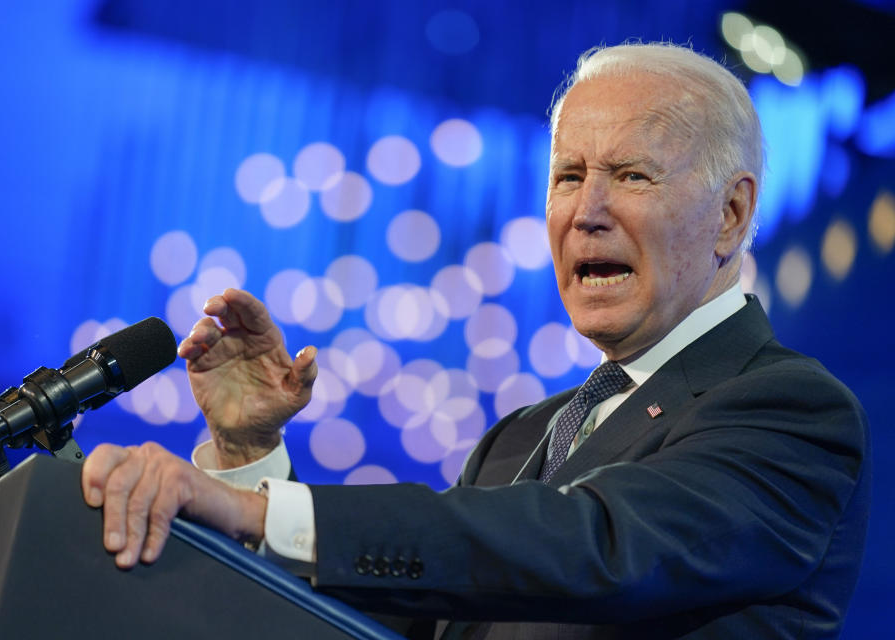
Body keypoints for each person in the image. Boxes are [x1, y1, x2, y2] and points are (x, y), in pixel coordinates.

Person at [81, 42, 870, 639]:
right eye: (568, 177)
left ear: (730, 216)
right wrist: (251, 458)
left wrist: (255, 512)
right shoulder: (519, 440)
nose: (584, 212)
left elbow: (596, 544)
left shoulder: (789, 410)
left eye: (631, 175)